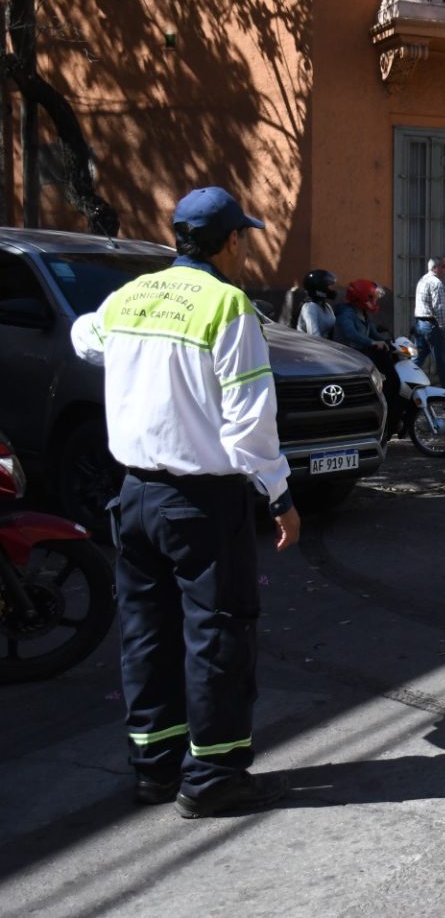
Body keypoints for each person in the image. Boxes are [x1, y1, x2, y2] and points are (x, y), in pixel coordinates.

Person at [70, 186, 298, 819]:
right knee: (218, 633)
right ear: (229, 241)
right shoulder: (229, 307)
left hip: (134, 496)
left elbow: (83, 337)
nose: (245, 246)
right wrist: (280, 497)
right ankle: (215, 777)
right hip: (200, 502)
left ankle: (154, 768)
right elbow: (250, 424)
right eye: (242, 237)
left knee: (146, 632)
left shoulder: (129, 297)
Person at [335, 278, 403, 436]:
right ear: (361, 298)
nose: (374, 300)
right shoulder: (346, 314)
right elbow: (351, 334)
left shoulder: (364, 314)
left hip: (364, 354)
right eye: (371, 297)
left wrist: (389, 343)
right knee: (389, 382)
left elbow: (374, 332)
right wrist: (373, 342)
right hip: (351, 356)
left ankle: (391, 422)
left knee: (392, 378)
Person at [413, 257, 445, 383]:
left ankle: (404, 381)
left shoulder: (423, 280)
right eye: (444, 267)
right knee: (442, 359)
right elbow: (439, 310)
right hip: (431, 325)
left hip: (420, 324)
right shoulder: (437, 284)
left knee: (418, 357)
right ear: (435, 268)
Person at [295, 269, 338, 339]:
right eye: (330, 286)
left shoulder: (327, 307)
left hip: (327, 346)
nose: (333, 289)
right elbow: (314, 336)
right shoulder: (309, 308)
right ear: (320, 288)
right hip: (308, 347)